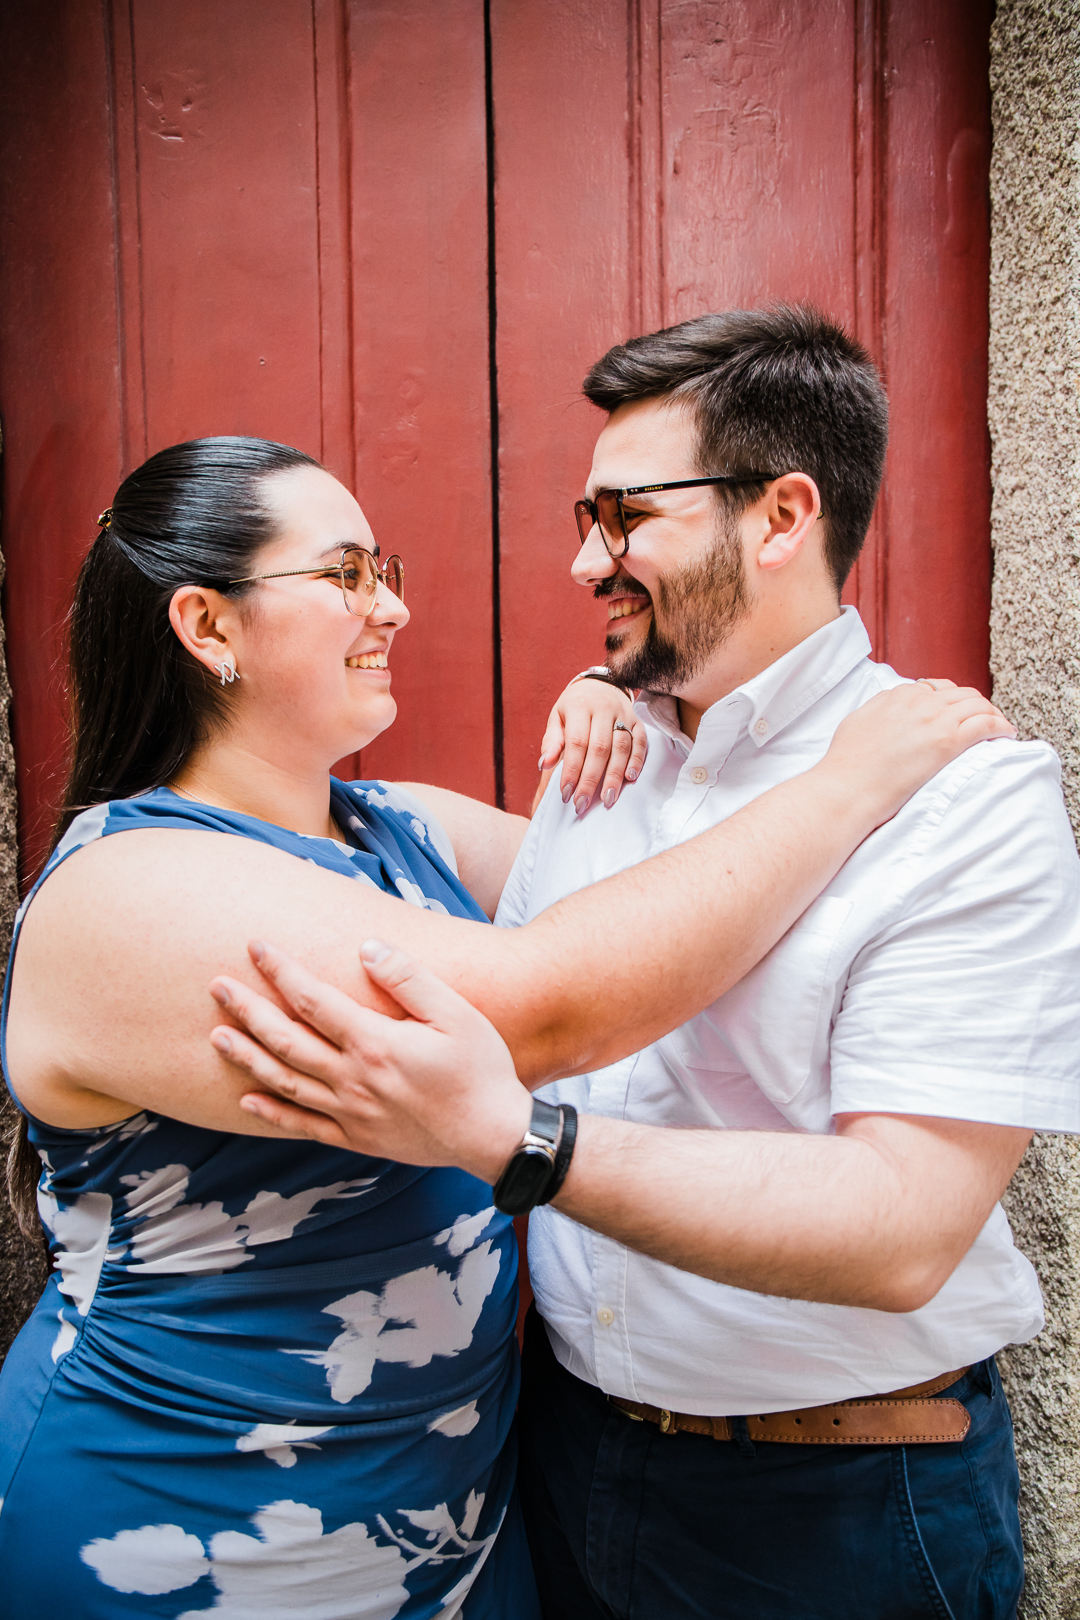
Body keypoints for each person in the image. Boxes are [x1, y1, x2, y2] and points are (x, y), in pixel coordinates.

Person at [0, 431, 1007, 1618]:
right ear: (209, 629)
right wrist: (846, 781)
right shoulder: (129, 890)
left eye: (387, 568)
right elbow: (550, 1002)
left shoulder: (397, 828)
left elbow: (679, 908)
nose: (393, 610)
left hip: (458, 1520)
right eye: (345, 577)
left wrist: (636, 700)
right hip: (195, 1525)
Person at [207, 308, 1080, 1620]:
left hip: (830, 1505)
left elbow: (905, 1229)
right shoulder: (606, 750)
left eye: (623, 520)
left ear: (781, 516)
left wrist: (521, 1140)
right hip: (563, 1458)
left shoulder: (965, 797)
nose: (580, 564)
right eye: (583, 517)